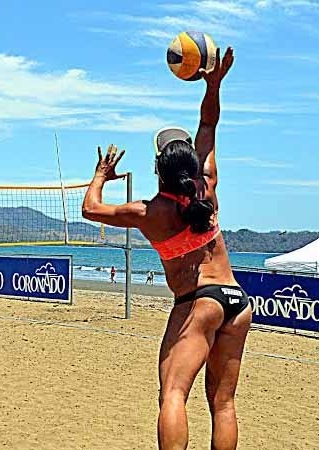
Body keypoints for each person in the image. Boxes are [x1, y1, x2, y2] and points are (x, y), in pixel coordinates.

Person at [82, 47, 251, 450]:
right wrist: (213, 84)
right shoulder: (206, 187)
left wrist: (100, 175)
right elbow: (208, 121)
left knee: (173, 395)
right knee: (223, 403)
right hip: (237, 300)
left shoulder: (148, 212)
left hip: (200, 302)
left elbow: (90, 208)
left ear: (158, 167)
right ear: (191, 166)